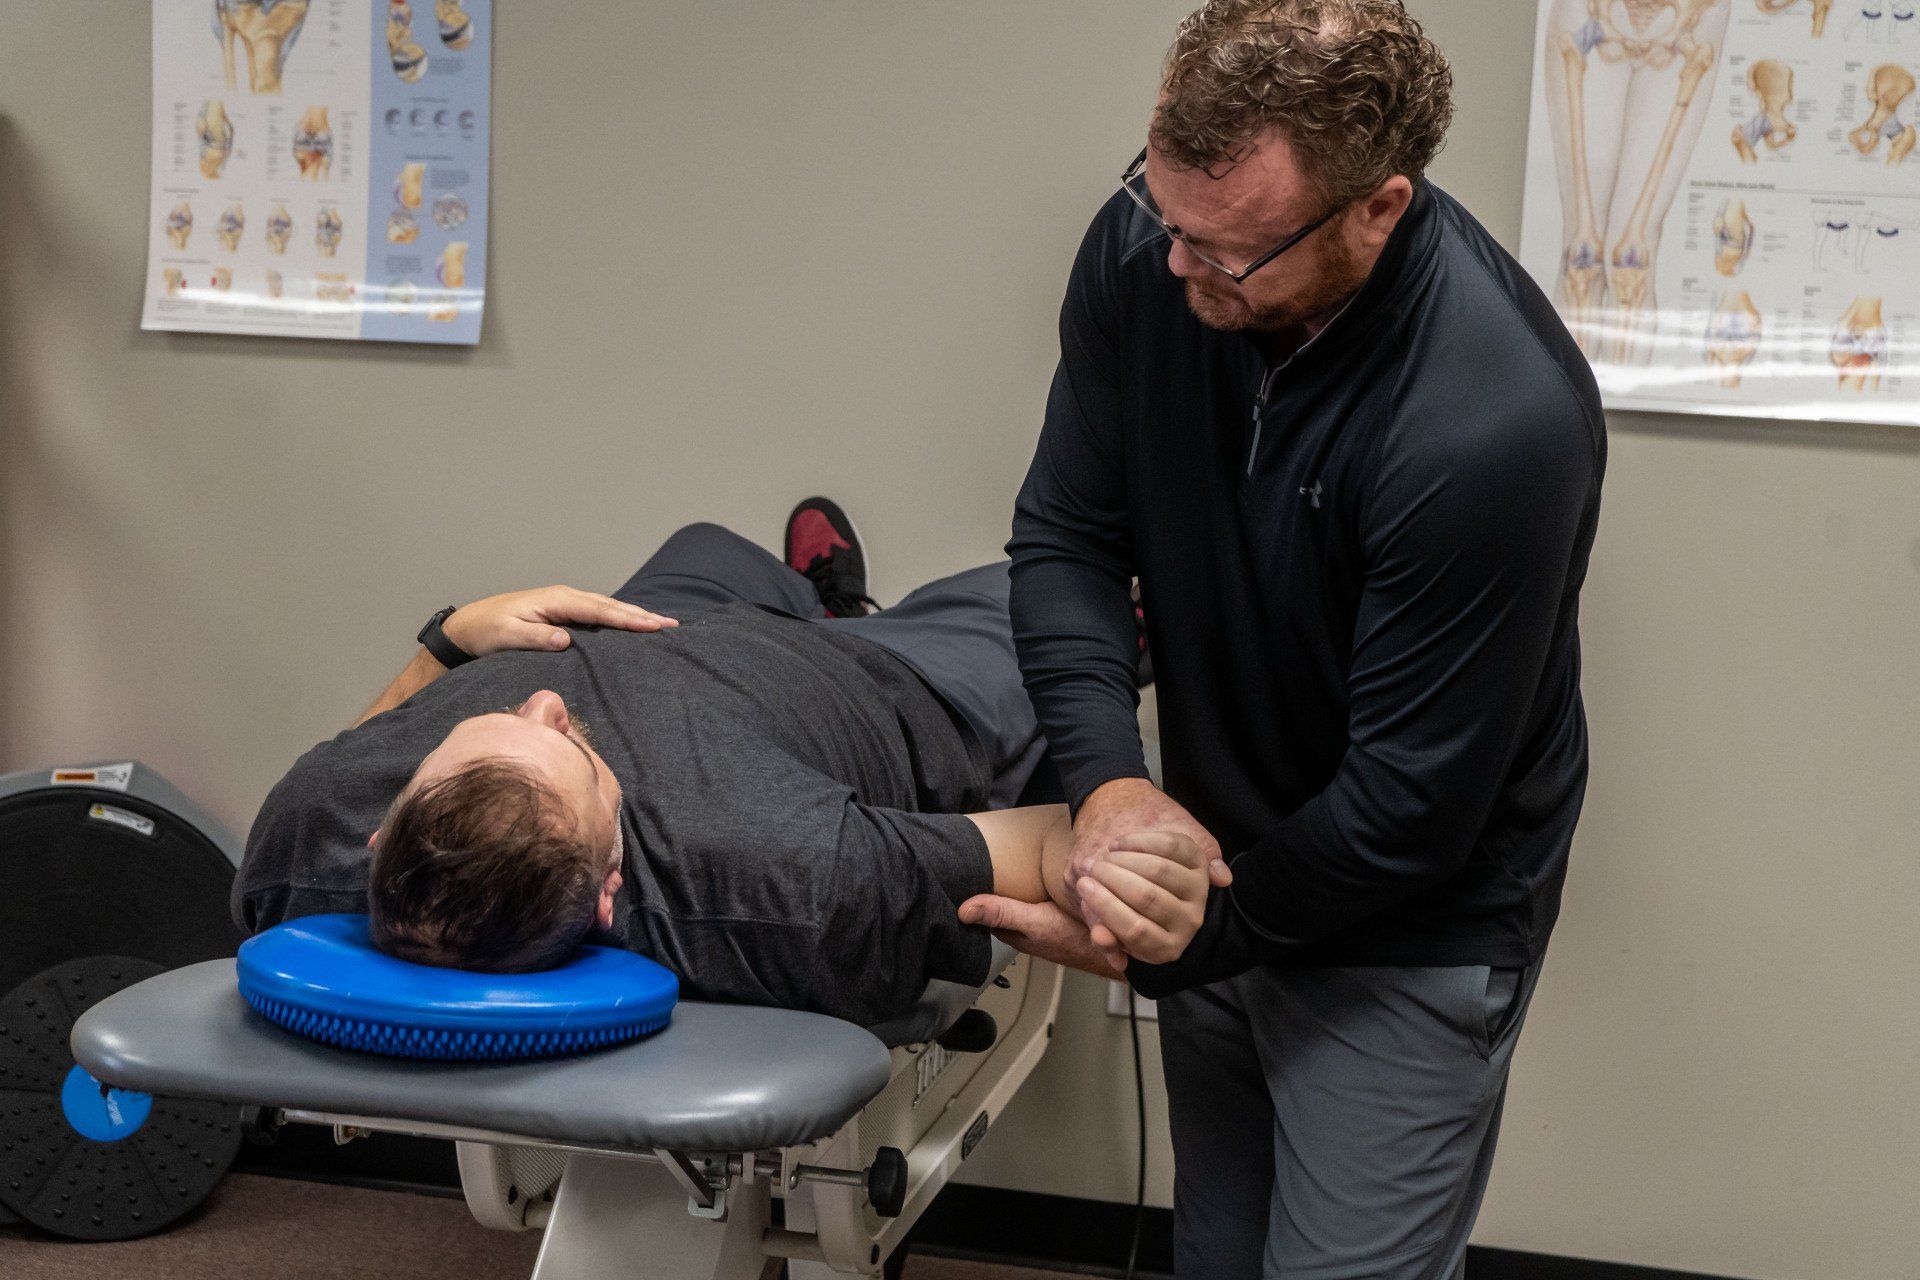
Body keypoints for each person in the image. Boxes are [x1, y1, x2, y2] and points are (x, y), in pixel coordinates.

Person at [962, 3, 1607, 1277]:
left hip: (1407, 920)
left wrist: (1171, 929)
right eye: (1166, 217)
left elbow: (1408, 808)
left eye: (1229, 252)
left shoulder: (1493, 421)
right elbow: (1069, 536)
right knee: (1218, 1248)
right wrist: (1112, 792)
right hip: (1208, 845)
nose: (1175, 268)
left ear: (1378, 207)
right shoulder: (1156, 244)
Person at [232, 502, 1209, 1026]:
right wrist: (1123, 864)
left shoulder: (305, 832)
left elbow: (371, 732)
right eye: (566, 744)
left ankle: (820, 593)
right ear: (611, 890)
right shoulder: (785, 875)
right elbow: (1036, 840)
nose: (539, 697)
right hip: (887, 688)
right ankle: (847, 616)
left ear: (380, 831)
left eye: (480, 724)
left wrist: (448, 645)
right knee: (1062, 595)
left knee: (709, 540)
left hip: (661, 615)